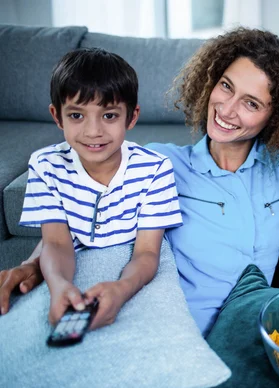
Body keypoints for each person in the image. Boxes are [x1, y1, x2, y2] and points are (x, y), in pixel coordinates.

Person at [0, 28, 279, 338]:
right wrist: (32, 265)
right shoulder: (159, 164)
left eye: (251, 103)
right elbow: (80, 206)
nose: (227, 110)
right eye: (226, 86)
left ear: (277, 116)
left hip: (265, 326)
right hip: (187, 332)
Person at [19, 48, 182, 330]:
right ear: (57, 117)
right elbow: (56, 243)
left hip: (137, 269)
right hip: (70, 261)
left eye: (108, 116)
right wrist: (58, 286)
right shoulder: (46, 165)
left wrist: (121, 288)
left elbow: (147, 253)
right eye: (76, 116)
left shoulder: (155, 169)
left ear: (131, 117)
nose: (93, 131)